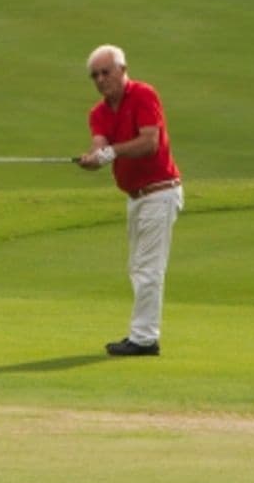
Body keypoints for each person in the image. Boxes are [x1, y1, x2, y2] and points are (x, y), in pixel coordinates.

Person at [76, 44, 182, 357]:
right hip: (136, 197)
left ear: (122, 70)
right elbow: (100, 147)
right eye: (94, 75)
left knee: (148, 269)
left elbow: (149, 142)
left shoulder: (144, 95)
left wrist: (113, 151)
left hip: (160, 191)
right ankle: (143, 335)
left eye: (105, 72)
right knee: (137, 267)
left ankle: (145, 338)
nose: (100, 79)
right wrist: (93, 159)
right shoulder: (98, 113)